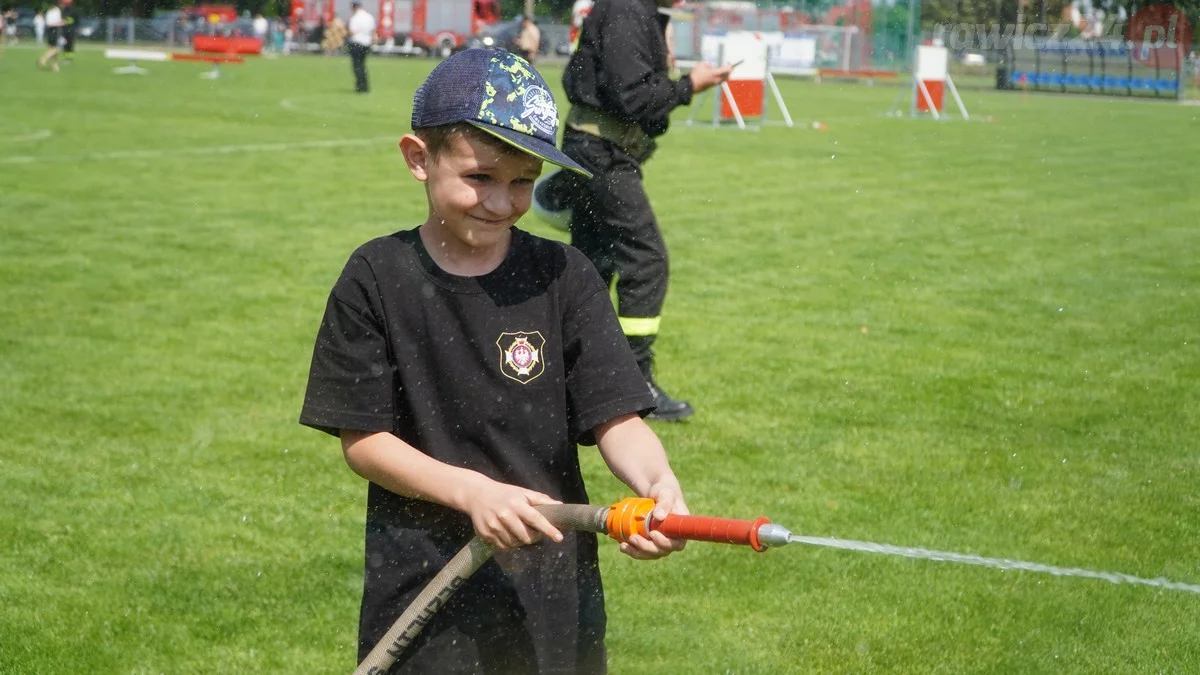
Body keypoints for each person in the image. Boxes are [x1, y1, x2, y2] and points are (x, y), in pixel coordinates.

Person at [299, 48, 689, 673]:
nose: (501, 202)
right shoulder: (376, 276)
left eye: (522, 182)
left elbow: (618, 417)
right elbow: (364, 441)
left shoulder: (564, 274)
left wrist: (655, 483)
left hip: (554, 591)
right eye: (479, 177)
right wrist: (471, 492)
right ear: (418, 159)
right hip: (426, 586)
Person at [530, 0, 733, 422]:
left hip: (595, 149)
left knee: (593, 264)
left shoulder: (635, 11)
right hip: (600, 152)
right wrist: (689, 85)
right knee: (646, 259)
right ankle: (634, 381)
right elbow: (632, 96)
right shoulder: (626, 10)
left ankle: (564, 371)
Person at [346, 0, 375, 93]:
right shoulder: (369, 17)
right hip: (366, 43)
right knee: (362, 65)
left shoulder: (355, 18)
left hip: (356, 43)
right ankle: (365, 85)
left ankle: (360, 86)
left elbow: (352, 32)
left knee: (357, 66)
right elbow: (373, 31)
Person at [37, 0, 64, 71]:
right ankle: (43, 59)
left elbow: (49, 22)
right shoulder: (57, 11)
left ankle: (54, 66)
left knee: (52, 48)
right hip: (54, 31)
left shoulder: (49, 11)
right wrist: (61, 23)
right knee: (57, 49)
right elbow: (51, 23)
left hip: (49, 32)